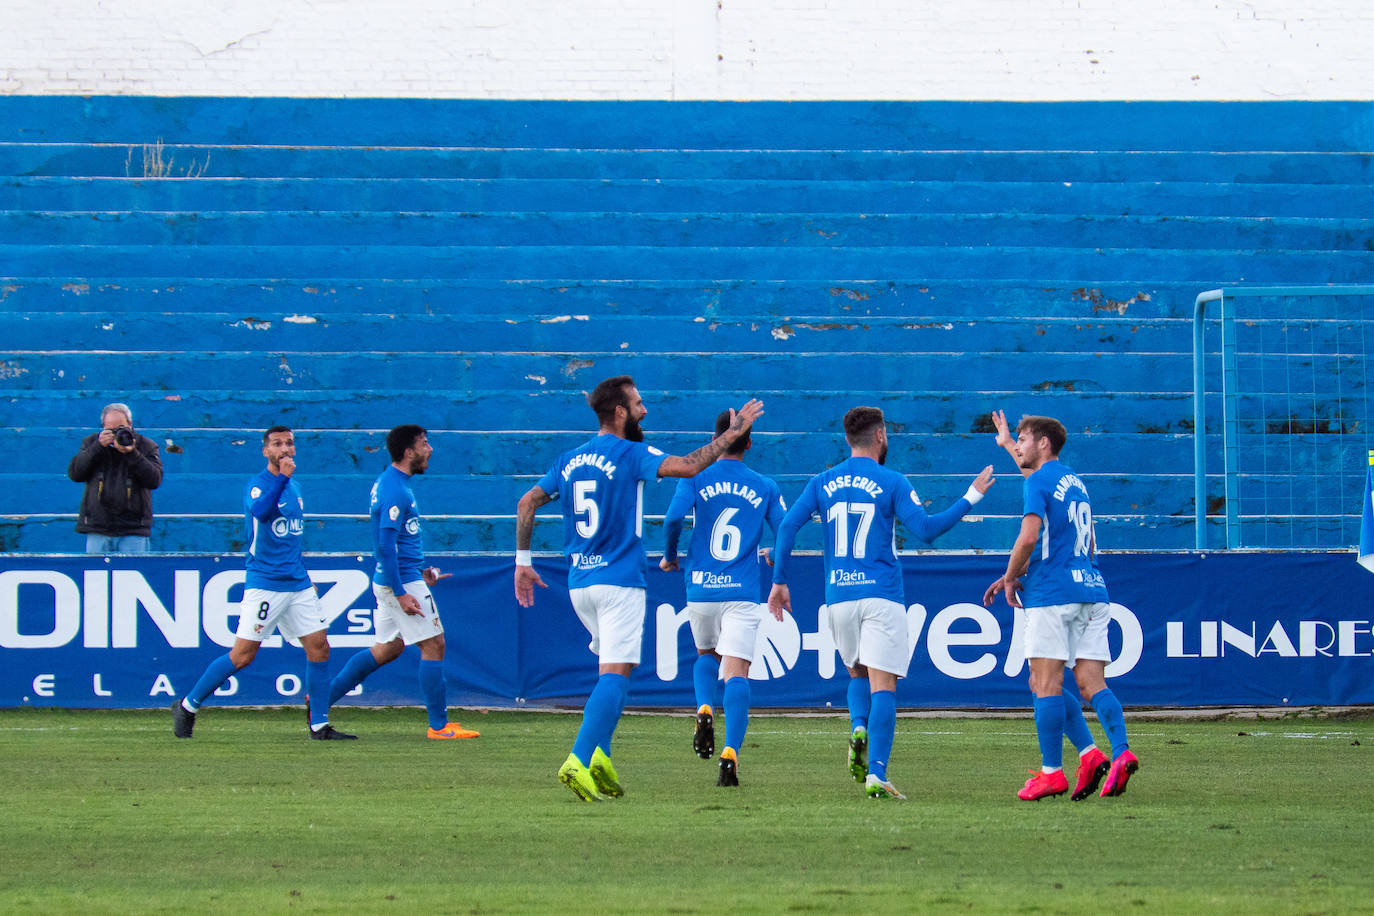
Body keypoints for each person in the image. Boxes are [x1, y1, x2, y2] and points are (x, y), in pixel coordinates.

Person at [514, 375, 763, 802]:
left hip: (580, 584)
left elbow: (527, 502)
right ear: (619, 413)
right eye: (639, 404)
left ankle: (601, 759)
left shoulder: (569, 460)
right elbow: (687, 466)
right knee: (614, 677)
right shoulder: (631, 453)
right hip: (619, 583)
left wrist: (522, 562)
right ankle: (577, 759)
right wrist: (731, 435)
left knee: (615, 677)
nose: (644, 411)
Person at [768, 406, 994, 800]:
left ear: (847, 439)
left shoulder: (822, 482)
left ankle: (858, 726)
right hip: (881, 595)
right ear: (881, 436)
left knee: (856, 673)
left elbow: (787, 526)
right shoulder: (891, 481)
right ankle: (877, 773)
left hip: (838, 597)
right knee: (884, 686)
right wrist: (971, 496)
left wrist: (779, 581)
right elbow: (925, 530)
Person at [982, 412, 1138, 801]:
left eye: (1022, 438)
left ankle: (1052, 772)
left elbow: (1029, 536)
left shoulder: (1038, 483)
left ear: (1043, 443)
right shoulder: (1072, 481)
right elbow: (1036, 482)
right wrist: (1005, 445)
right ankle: (1114, 753)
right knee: (1089, 683)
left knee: (1044, 684)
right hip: (1092, 590)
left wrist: (1010, 575)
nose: (1017, 444)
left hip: (1053, 593)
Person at [173, 426, 355, 740]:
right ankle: (188, 705)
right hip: (266, 583)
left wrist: (306, 577)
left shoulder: (295, 487)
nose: (284, 448)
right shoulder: (259, 485)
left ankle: (319, 725)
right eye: (277, 444)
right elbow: (261, 512)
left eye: (289, 443)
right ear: (265, 451)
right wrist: (282, 477)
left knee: (319, 647)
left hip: (296, 583)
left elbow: (291, 540)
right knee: (243, 655)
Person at [325, 425, 479, 740]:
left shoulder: (393, 484)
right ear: (408, 452)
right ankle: (439, 726)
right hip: (400, 583)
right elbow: (384, 545)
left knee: (387, 649)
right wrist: (402, 592)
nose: (430, 449)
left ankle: (320, 702)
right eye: (424, 443)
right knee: (434, 644)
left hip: (400, 577)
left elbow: (396, 546)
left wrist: (421, 573)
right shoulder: (394, 488)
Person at [660, 410, 787, 787]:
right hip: (742, 592)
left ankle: (703, 708)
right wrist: (775, 556)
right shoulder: (764, 485)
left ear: (717, 438)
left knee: (705, 655)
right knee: (737, 672)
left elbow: (672, 520)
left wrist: (670, 556)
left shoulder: (695, 476)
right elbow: (786, 530)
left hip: (701, 587)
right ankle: (730, 754)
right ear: (749, 443)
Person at [67, 402, 163, 553]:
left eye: (121, 429)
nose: (116, 434)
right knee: (96, 573)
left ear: (130, 425)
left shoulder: (146, 446)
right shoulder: (91, 443)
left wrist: (132, 453)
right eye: (110, 430)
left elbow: (154, 480)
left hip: (133, 528)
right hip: (98, 526)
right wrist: (97, 448)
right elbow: (75, 474)